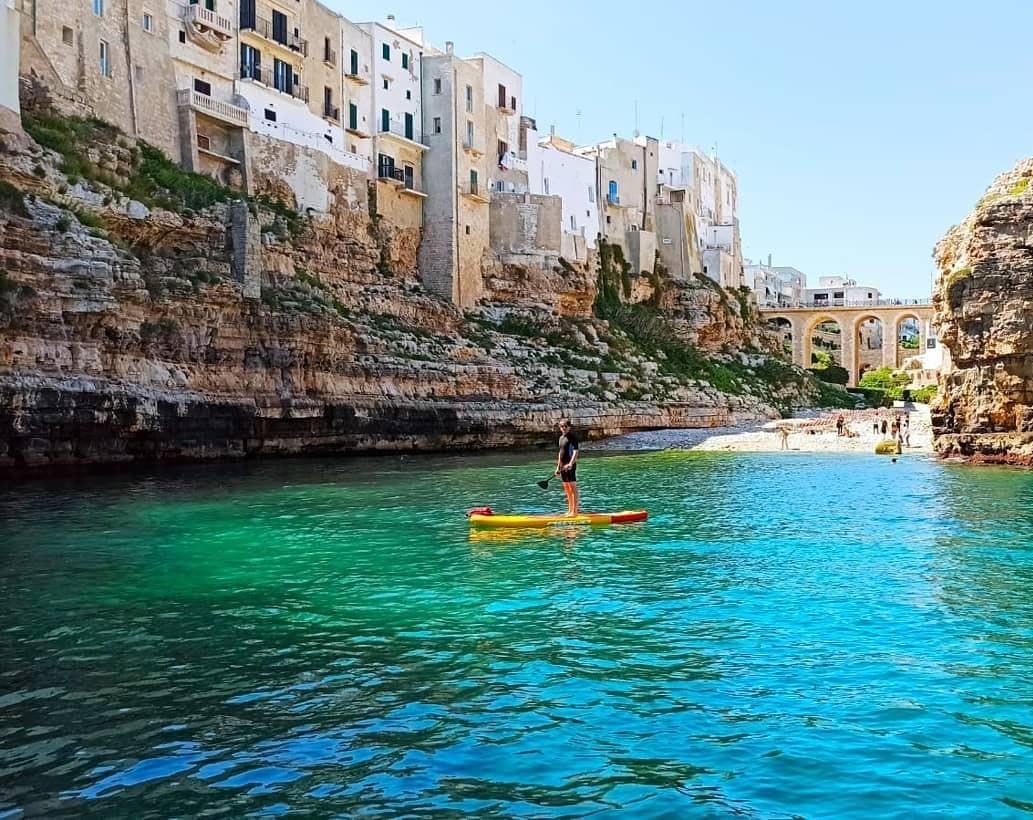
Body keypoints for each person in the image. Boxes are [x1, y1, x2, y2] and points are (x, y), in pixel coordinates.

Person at [556, 418, 580, 516]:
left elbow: (575, 451)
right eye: (562, 426)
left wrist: (571, 463)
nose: (564, 428)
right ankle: (569, 510)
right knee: (566, 488)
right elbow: (560, 453)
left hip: (570, 465)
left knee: (573, 487)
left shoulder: (573, 437)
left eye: (565, 426)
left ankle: (575, 511)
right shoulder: (561, 438)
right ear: (560, 427)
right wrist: (558, 467)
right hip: (562, 466)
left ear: (569, 427)